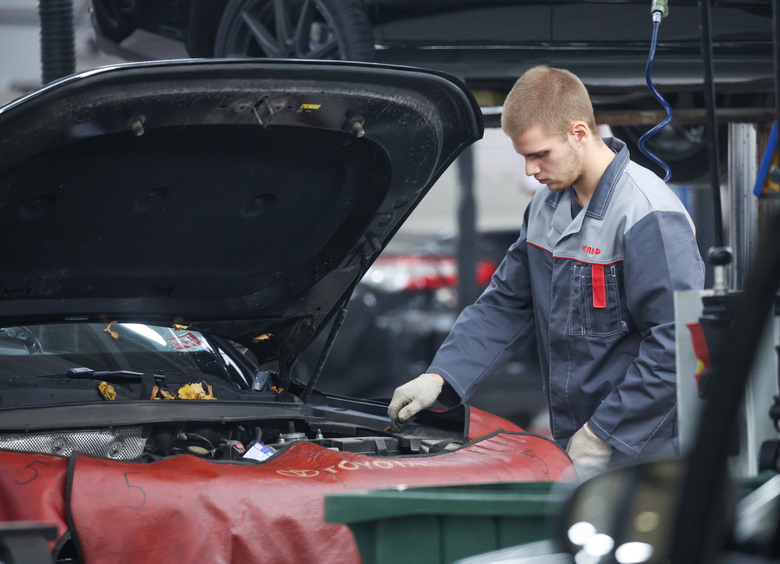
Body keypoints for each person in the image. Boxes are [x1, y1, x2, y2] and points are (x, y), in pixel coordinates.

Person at [387, 65, 705, 475]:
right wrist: (440, 377)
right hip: (576, 440)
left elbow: (676, 344)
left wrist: (604, 433)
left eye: (539, 155)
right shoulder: (545, 206)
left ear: (578, 133)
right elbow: (504, 305)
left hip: (646, 448)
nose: (530, 171)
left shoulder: (646, 214)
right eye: (524, 156)